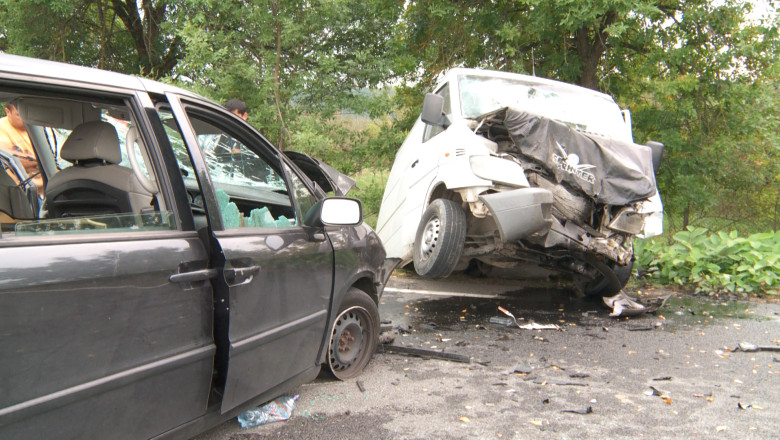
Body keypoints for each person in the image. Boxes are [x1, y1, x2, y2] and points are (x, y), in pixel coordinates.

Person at [0, 100, 43, 195]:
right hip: (23, 191)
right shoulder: (2, 128)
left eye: (28, 114)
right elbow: (11, 159)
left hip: (48, 187)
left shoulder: (39, 127)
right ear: (8, 112)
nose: (25, 118)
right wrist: (41, 160)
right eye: (19, 114)